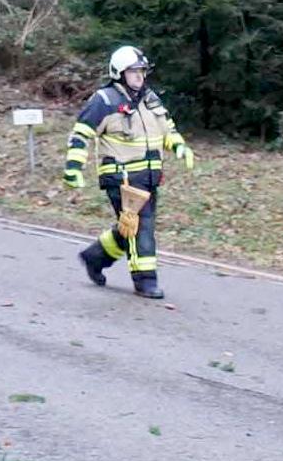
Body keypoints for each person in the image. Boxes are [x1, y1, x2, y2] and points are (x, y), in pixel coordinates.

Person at [63, 45, 191, 299]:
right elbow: (81, 134)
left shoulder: (150, 98)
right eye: (133, 72)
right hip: (121, 178)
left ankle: (95, 258)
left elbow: (166, 128)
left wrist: (179, 146)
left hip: (149, 176)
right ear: (119, 73)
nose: (139, 76)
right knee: (142, 226)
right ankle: (145, 281)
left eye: (142, 71)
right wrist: (73, 167)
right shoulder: (104, 100)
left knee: (129, 226)